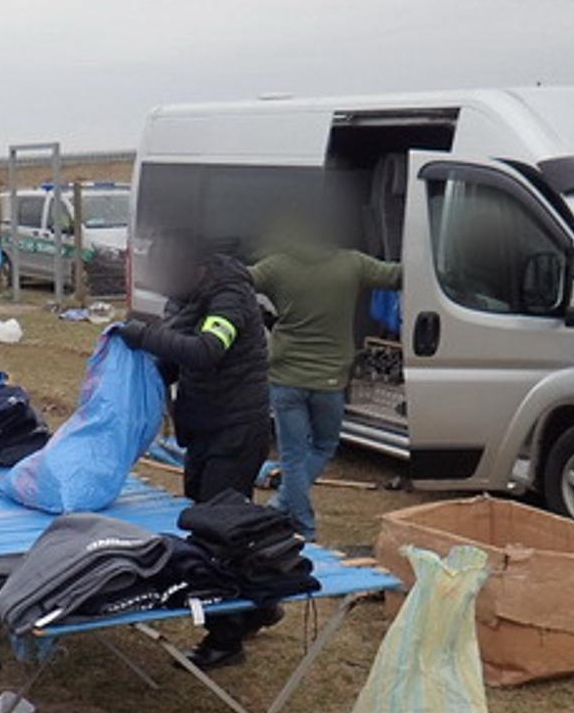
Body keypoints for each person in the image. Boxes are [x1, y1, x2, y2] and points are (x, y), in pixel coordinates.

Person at [115, 237, 280, 670]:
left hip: (236, 431)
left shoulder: (229, 298)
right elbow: (176, 360)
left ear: (198, 268)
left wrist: (147, 337)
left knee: (216, 534)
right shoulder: (185, 299)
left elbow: (207, 352)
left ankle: (225, 640)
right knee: (213, 522)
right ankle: (262, 605)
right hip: (204, 429)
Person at [249, 235, 403, 540]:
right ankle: (304, 525)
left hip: (285, 376)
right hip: (329, 379)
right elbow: (397, 275)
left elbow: (238, 281)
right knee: (323, 446)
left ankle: (283, 506)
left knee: (292, 455)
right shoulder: (352, 263)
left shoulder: (277, 266)